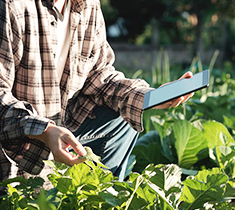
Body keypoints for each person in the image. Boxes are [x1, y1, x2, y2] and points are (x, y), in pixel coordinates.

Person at [0, 0, 193, 190]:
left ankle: (98, 197)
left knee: (124, 118)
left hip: (65, 132)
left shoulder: (88, 5)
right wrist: (46, 131)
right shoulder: (12, 6)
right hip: (16, 149)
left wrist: (152, 97)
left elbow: (100, 75)